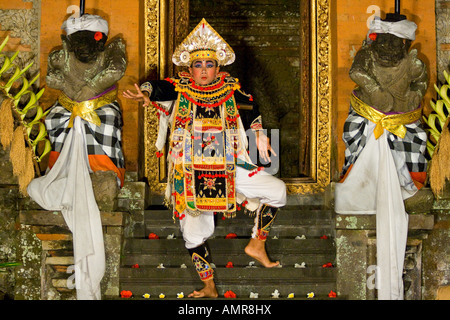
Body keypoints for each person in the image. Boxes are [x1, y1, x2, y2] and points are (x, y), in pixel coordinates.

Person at [123, 18, 286, 298]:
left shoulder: (230, 89)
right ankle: (209, 285)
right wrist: (146, 93)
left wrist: (257, 132)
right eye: (198, 65)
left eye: (209, 64)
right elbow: (157, 87)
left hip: (230, 165)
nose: (203, 70)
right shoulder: (180, 87)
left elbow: (250, 107)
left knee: (278, 191)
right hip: (191, 172)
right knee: (195, 232)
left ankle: (257, 243)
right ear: (189, 68)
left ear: (218, 67)